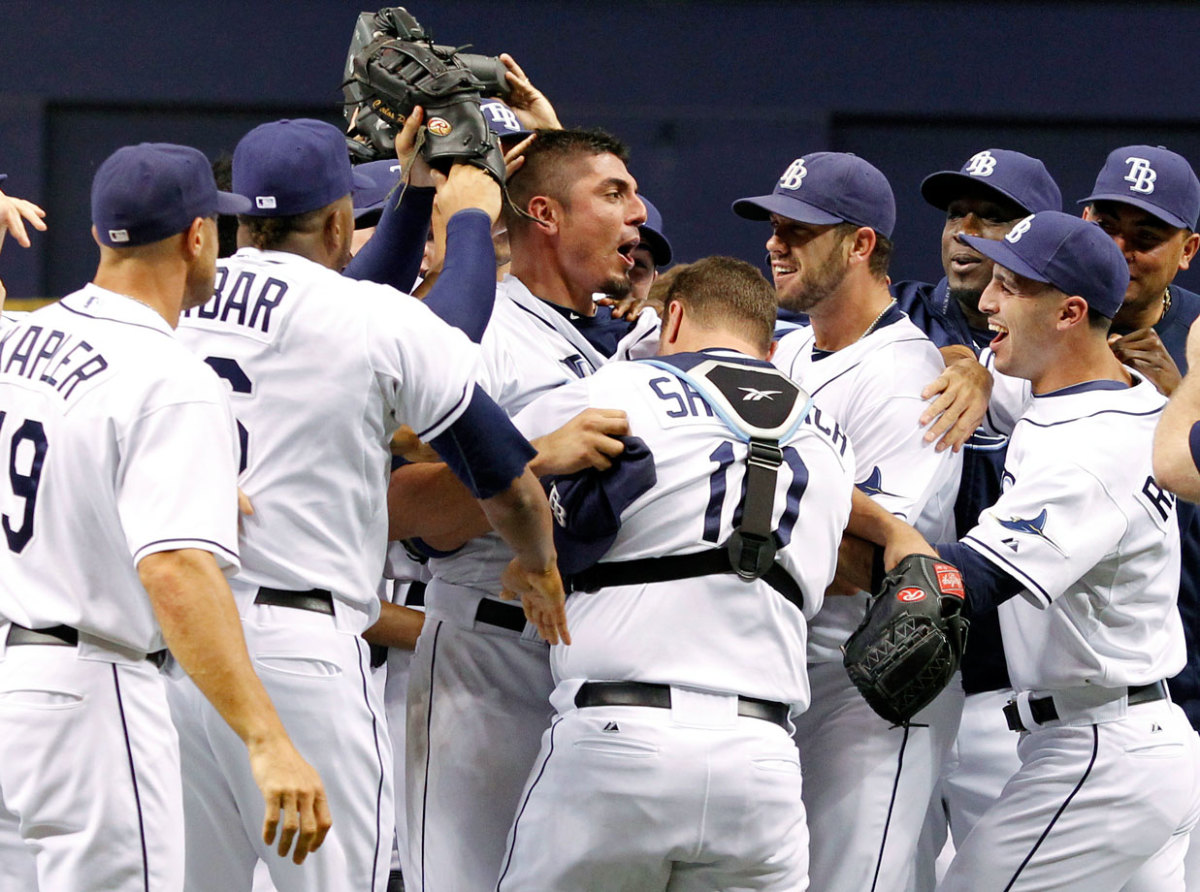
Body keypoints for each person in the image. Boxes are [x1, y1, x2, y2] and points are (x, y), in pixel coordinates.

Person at [167, 118, 565, 892]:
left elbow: (352, 301)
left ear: (241, 214)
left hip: (187, 644)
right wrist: (474, 214)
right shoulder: (367, 320)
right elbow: (443, 341)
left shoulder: (188, 300)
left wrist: (414, 195)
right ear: (343, 219)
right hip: (299, 649)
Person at [0, 143, 330, 892]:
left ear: (96, 234)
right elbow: (175, 569)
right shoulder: (171, 376)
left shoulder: (20, 338)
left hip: (13, 683)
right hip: (93, 693)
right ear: (197, 236)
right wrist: (266, 737)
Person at [851, 210, 1200, 891]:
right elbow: (982, 368)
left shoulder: (1092, 448)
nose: (986, 302)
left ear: (1070, 312)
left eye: (1009, 287)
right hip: (1132, 735)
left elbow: (970, 581)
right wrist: (969, 367)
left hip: (1100, 752)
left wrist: (854, 517)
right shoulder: (1097, 393)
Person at [493, 255, 854, 890]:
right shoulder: (834, 440)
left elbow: (464, 451)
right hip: (763, 761)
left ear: (675, 315)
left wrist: (536, 548)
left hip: (620, 738)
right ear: (770, 347)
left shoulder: (619, 389)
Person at [387, 127, 653, 892]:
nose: (637, 212)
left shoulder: (629, 342)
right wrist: (531, 454)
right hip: (486, 656)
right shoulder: (482, 327)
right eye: (615, 194)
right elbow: (399, 506)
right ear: (543, 214)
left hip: (599, 668)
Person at [732, 150, 963, 892]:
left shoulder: (910, 378)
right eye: (774, 225)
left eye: (799, 229)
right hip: (790, 675)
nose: (776, 242)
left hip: (869, 686)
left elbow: (868, 555)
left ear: (861, 244)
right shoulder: (788, 350)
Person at [894, 148, 1063, 887]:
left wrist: (980, 368)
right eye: (956, 214)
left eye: (991, 217)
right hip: (897, 663)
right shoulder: (893, 321)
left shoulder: (1068, 350)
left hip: (1008, 679)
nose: (964, 230)